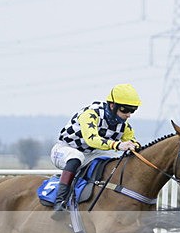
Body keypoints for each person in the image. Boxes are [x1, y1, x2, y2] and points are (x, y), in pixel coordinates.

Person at [49, 83, 143, 219]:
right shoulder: (91, 114)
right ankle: (60, 202)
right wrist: (117, 145)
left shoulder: (124, 126)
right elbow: (92, 139)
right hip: (65, 149)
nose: (128, 115)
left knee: (114, 159)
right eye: (125, 110)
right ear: (112, 105)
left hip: (91, 154)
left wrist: (134, 146)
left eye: (132, 111)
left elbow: (132, 141)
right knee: (76, 158)